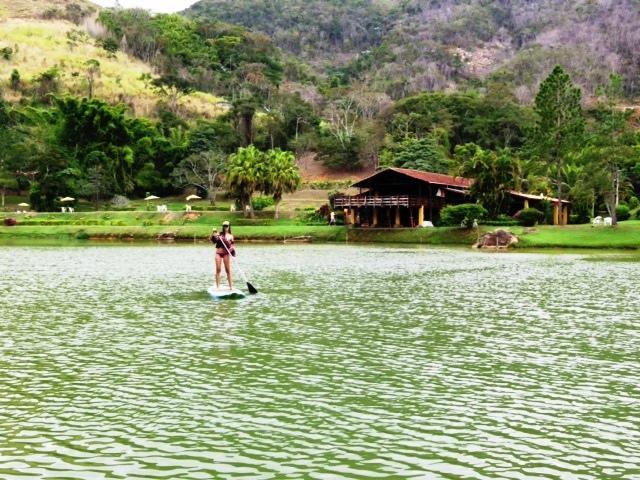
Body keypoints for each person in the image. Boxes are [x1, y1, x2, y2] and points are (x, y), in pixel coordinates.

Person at [210, 221, 236, 289]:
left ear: (229, 226)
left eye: (227, 226)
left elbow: (233, 245)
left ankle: (231, 287)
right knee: (218, 269)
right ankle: (217, 287)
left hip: (226, 254)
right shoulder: (219, 234)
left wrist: (231, 249)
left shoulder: (231, 236)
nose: (225, 227)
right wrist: (213, 235)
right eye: (224, 226)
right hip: (218, 253)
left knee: (228, 270)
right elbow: (213, 241)